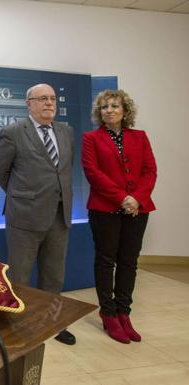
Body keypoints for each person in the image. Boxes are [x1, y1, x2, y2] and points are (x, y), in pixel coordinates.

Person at [0, 83, 76, 345]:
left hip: (59, 215)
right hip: (24, 216)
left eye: (52, 98)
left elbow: (62, 169)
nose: (49, 103)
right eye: (42, 99)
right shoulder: (13, 132)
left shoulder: (66, 131)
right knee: (20, 276)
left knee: (54, 274)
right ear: (28, 103)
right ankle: (18, 325)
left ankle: (52, 322)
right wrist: (22, 195)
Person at [82, 89, 156, 344]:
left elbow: (150, 171)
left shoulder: (140, 137)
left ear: (125, 111)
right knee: (106, 261)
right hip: (104, 209)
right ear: (99, 113)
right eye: (104, 107)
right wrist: (122, 198)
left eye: (114, 106)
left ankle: (124, 313)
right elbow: (92, 172)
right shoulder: (91, 138)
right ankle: (108, 313)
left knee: (129, 262)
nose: (109, 110)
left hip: (138, 208)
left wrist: (136, 198)